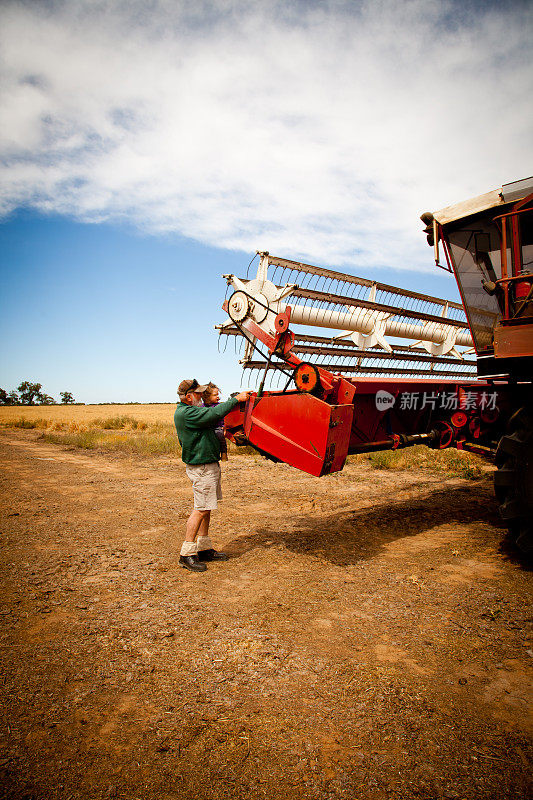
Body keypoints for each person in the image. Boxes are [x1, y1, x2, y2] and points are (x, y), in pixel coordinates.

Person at [174, 378, 251, 572]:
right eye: (198, 394)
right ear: (189, 397)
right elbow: (214, 412)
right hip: (201, 467)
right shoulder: (188, 413)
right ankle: (187, 553)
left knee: (206, 507)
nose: (202, 396)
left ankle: (204, 548)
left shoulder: (191, 411)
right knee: (200, 508)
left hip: (208, 464)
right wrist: (236, 400)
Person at [202, 382, 228, 461]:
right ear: (206, 397)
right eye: (215, 395)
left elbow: (225, 418)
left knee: (220, 436)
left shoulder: (219, 406)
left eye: (218, 395)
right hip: (207, 429)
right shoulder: (202, 407)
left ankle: (224, 452)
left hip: (218, 427)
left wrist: (225, 427)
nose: (218, 397)